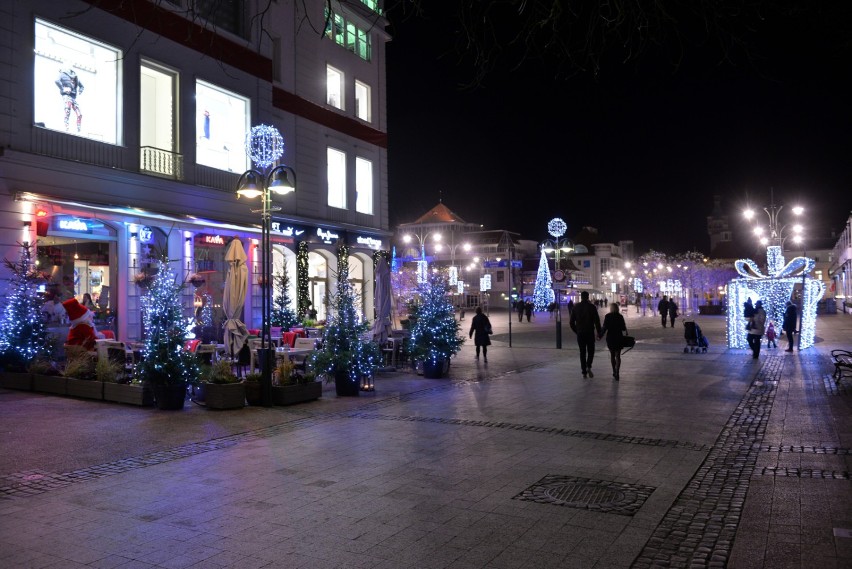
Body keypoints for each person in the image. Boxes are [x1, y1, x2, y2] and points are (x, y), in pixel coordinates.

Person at [569, 290, 601, 378]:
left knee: (582, 352)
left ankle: (583, 371)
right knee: (591, 351)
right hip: (590, 332)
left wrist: (577, 331)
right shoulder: (592, 307)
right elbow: (597, 321)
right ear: (588, 297)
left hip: (580, 333)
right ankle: (588, 365)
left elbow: (571, 322)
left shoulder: (576, 307)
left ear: (581, 297)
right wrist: (599, 333)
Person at [599, 303, 628, 380]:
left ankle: (614, 371)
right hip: (618, 337)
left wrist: (600, 336)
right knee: (618, 356)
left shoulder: (607, 316)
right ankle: (617, 372)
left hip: (610, 337)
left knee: (612, 355)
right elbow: (623, 328)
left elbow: (604, 328)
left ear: (611, 308)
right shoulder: (620, 316)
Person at [55, 67, 84, 132]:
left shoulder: (76, 78)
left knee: (79, 114)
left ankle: (78, 129)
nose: (72, 81)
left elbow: (82, 86)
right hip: (67, 96)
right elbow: (56, 81)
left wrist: (80, 90)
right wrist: (63, 89)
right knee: (67, 110)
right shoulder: (63, 75)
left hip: (73, 97)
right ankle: (66, 127)